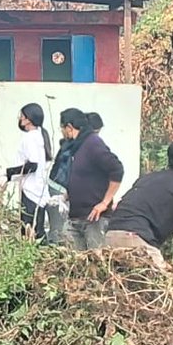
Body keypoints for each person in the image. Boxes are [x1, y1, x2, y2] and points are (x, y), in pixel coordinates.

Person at [106, 139, 173, 276]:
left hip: (111, 235)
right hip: (136, 238)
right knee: (164, 290)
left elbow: (118, 205)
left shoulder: (147, 178)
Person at [58, 107, 123, 250]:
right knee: (73, 264)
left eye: (62, 128)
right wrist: (66, 195)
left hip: (94, 218)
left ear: (69, 127)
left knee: (96, 262)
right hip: (75, 216)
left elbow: (117, 170)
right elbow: (83, 175)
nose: (62, 132)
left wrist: (105, 202)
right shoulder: (76, 146)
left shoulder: (93, 143)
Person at [13, 103, 52, 242]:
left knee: (29, 233)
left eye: (22, 115)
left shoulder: (29, 138)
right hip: (39, 190)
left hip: (30, 191)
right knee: (37, 230)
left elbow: (32, 165)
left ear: (28, 119)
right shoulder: (40, 136)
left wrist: (9, 174)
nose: (20, 118)